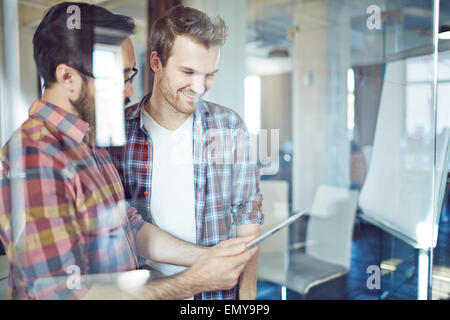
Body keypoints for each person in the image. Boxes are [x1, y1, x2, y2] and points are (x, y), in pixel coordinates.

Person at [0, 2, 258, 300]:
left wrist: (206, 258)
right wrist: (193, 281)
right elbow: (63, 295)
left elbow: (129, 227)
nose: (127, 92)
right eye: (118, 78)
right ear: (68, 78)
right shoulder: (34, 156)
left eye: (130, 76)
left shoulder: (88, 143)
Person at [108, 5, 263, 300]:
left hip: (215, 297)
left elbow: (248, 217)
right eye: (189, 71)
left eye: (209, 74)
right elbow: (122, 225)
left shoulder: (229, 127)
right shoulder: (117, 135)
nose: (200, 87)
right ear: (156, 62)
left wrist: (247, 298)